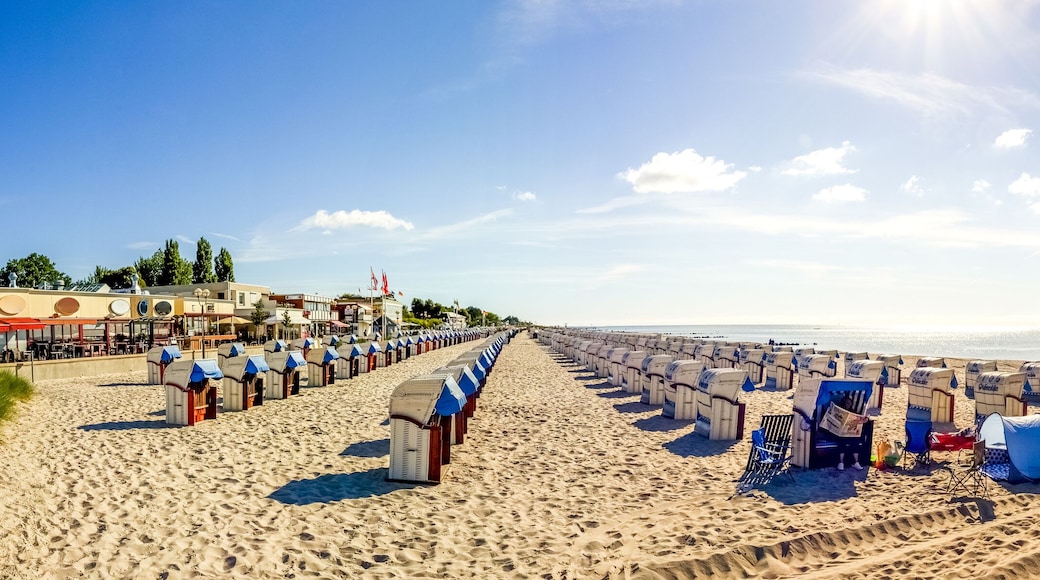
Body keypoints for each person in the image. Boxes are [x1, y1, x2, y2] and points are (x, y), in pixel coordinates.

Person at [833, 392, 869, 471]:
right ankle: (841, 462)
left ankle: (856, 462)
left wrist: (865, 420)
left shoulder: (853, 411)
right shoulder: (839, 410)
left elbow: (860, 418)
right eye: (846, 403)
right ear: (843, 403)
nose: (848, 404)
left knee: (855, 441)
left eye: (849, 403)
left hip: (850, 434)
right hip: (839, 433)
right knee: (842, 441)